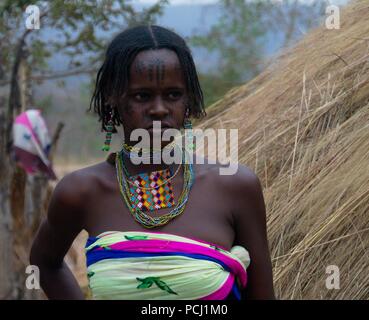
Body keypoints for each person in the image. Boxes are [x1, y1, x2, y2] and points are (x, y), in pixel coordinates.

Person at [30, 25, 275, 300]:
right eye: (142, 96)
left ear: (189, 100)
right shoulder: (81, 191)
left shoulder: (234, 186)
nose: (159, 109)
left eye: (173, 95)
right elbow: (45, 263)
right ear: (113, 97)